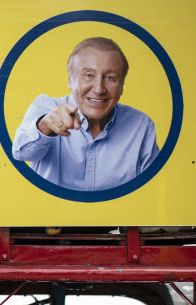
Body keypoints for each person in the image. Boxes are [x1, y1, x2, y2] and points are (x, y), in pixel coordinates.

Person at [11, 37, 159, 191]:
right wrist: (46, 125)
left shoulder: (141, 125)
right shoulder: (46, 107)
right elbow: (21, 153)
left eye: (110, 78)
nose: (99, 89)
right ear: (70, 80)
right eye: (89, 75)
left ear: (121, 86)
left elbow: (153, 189)